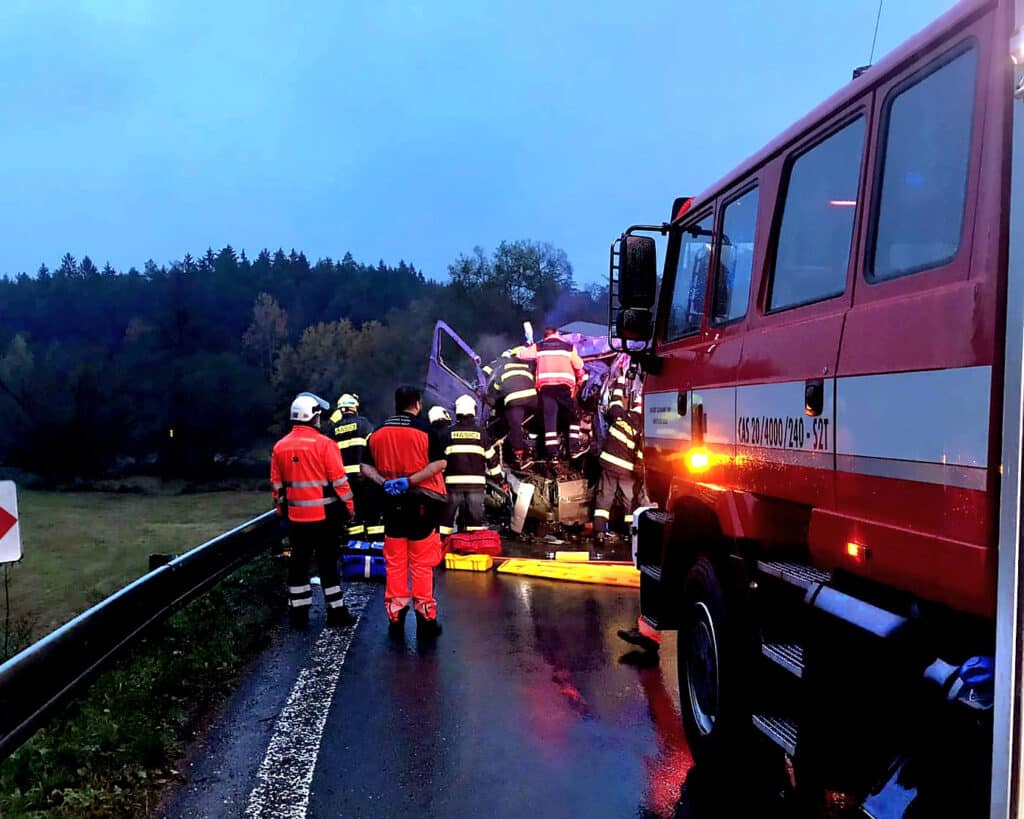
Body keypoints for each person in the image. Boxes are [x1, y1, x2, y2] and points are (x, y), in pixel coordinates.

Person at [361, 385, 448, 639]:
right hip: (422, 504)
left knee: (396, 561)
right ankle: (426, 620)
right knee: (422, 563)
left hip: (391, 505)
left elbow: (365, 466)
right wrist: (410, 481)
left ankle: (396, 618)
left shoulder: (377, 434)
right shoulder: (425, 431)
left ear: (396, 404)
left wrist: (384, 482)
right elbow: (440, 463)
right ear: (417, 404)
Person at [271, 392, 356, 628]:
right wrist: (350, 508)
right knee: (328, 563)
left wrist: (282, 512)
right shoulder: (325, 445)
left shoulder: (279, 447)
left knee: (299, 563)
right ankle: (336, 612)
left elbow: (277, 488)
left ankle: (298, 615)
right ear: (313, 417)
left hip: (296, 519)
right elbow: (340, 483)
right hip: (325, 518)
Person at [517, 326, 585, 460]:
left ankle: (552, 454)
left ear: (545, 336)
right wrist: (581, 378)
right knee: (574, 417)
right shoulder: (568, 347)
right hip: (563, 387)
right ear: (557, 334)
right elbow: (579, 365)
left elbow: (521, 355)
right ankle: (574, 448)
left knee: (550, 419)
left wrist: (528, 344)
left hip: (546, 388)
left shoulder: (539, 346)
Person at [439, 394, 500, 536]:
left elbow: (440, 461)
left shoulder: (448, 434)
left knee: (446, 521)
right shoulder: (482, 434)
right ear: (474, 411)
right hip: (475, 486)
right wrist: (499, 480)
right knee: (475, 523)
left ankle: (442, 547)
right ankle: (472, 550)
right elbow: (491, 459)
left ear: (457, 412)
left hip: (452, 486)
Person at [330, 393, 384, 544]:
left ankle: (356, 548)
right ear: (355, 408)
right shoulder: (364, 424)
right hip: (364, 478)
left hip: (344, 483)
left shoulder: (334, 429)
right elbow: (374, 448)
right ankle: (376, 549)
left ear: (340, 410)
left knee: (354, 517)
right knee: (373, 515)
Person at [594, 396, 644, 541]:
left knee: (604, 497)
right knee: (629, 500)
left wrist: (620, 381)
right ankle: (631, 532)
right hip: (626, 469)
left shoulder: (620, 415)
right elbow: (641, 452)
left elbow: (614, 403)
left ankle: (599, 531)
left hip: (608, 464)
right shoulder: (642, 426)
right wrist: (640, 472)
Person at [488, 348, 538, 467]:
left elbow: (496, 388)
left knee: (514, 425)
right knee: (532, 417)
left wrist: (493, 400)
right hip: (532, 398)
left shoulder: (502, 368)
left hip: (515, 400)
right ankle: (533, 437)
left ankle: (519, 455)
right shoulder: (525, 366)